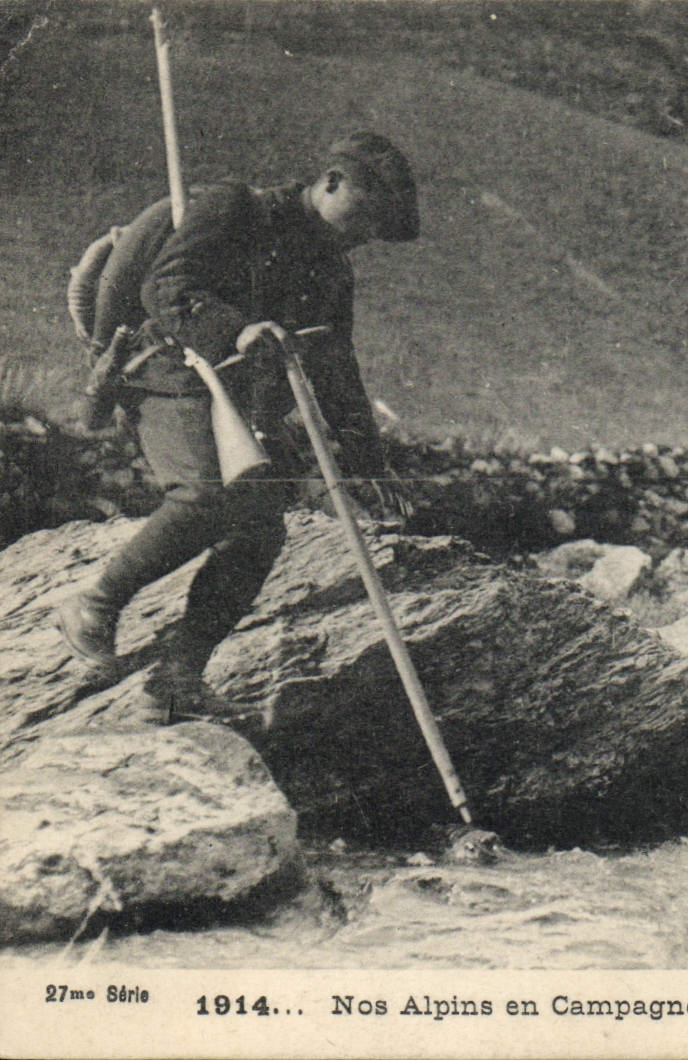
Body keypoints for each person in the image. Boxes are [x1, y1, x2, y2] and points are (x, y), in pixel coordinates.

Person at [56, 132, 418, 722]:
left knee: (258, 532)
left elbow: (334, 362)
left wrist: (369, 463)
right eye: (365, 211)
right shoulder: (236, 209)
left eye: (379, 226)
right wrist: (238, 329)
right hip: (166, 373)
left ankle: (176, 680)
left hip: (234, 400)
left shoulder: (332, 271)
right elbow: (165, 287)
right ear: (330, 181)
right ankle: (94, 602)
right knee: (205, 494)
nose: (366, 232)